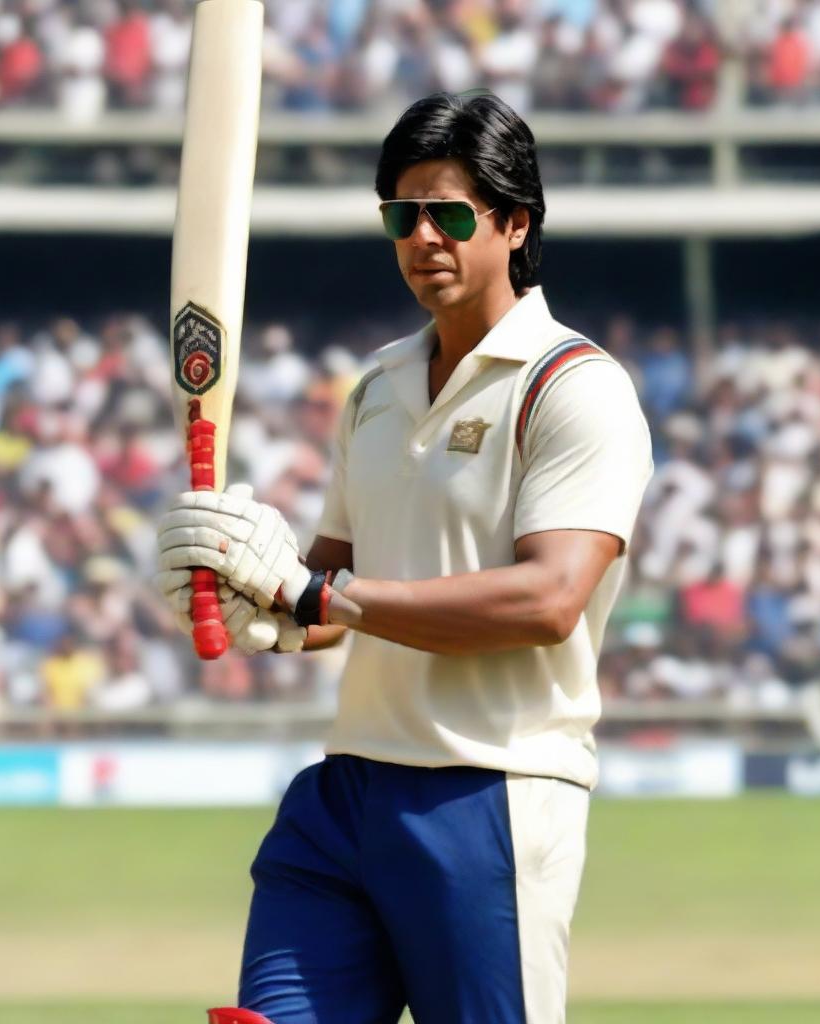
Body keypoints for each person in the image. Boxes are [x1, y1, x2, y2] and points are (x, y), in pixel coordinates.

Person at [156, 92, 653, 1024]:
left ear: (515, 222)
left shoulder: (576, 387)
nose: (423, 236)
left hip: (491, 796)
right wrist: (250, 597)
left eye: (450, 214)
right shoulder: (378, 387)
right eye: (402, 214)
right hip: (345, 794)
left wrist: (319, 595)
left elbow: (548, 601)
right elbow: (326, 597)